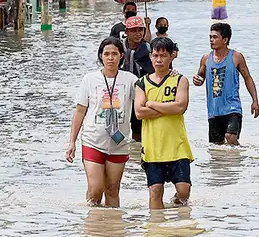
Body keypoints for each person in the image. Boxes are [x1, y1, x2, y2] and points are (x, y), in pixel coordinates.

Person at [66, 37, 137, 207]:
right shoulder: (89, 79)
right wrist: (72, 141)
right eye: (106, 54)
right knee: (95, 190)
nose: (110, 57)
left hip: (119, 143)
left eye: (114, 54)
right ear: (101, 56)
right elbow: (80, 111)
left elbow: (145, 101)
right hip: (93, 140)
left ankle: (113, 228)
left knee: (112, 190)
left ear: (121, 56)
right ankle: (93, 227)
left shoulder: (131, 80)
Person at [134, 37, 194, 210]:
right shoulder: (142, 83)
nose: (159, 60)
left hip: (177, 145)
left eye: (163, 55)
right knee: (155, 191)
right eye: (155, 55)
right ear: (150, 57)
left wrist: (152, 104)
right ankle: (157, 227)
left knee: (184, 191)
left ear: (171, 56)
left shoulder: (180, 80)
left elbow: (180, 107)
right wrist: (167, 108)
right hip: (153, 148)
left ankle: (178, 215)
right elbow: (139, 112)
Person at [192, 23, 259, 145]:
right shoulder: (206, 58)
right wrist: (197, 80)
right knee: (216, 147)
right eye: (210, 37)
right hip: (213, 110)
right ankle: (228, 163)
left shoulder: (236, 57)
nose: (211, 40)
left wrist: (255, 100)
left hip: (232, 108)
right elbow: (200, 77)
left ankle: (241, 157)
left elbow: (247, 78)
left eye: (215, 37)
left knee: (230, 137)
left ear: (225, 40)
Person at [121, 16, 155, 142]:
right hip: (122, 92)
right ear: (127, 32)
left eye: (140, 30)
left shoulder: (149, 49)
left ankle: (138, 154)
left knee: (139, 127)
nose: (138, 33)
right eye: (134, 30)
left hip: (143, 91)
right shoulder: (119, 48)